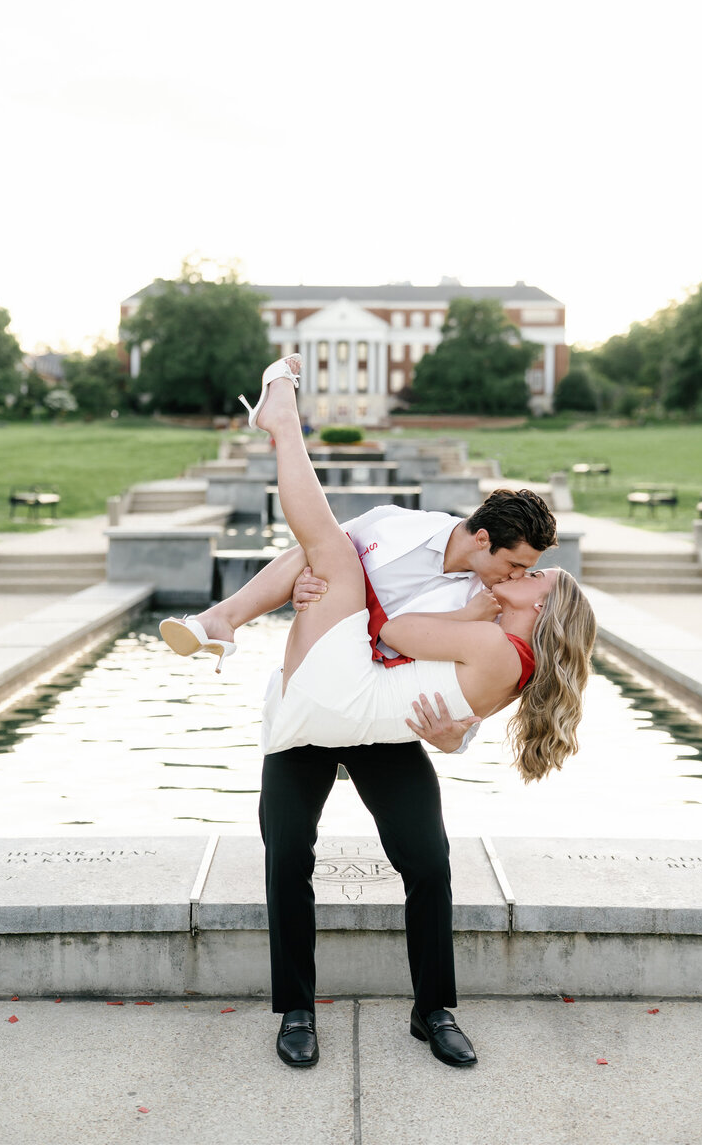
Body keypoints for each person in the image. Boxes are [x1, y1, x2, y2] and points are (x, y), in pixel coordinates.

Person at [161, 354, 597, 1069]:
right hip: (317, 701)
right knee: (286, 854)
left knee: (429, 861)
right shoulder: (393, 527)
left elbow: (464, 694)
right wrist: (311, 587)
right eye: (515, 565)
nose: (515, 578)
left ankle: (435, 1011)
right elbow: (317, 553)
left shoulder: (487, 607)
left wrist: (455, 737)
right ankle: (296, 1011)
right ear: (485, 539)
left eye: (526, 576)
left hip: (387, 728)